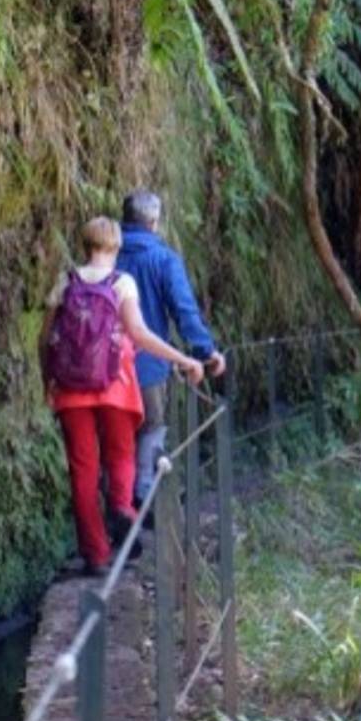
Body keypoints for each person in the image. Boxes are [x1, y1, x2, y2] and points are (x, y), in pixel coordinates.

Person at [41, 217, 205, 576]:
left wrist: (47, 382)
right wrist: (185, 358)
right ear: (116, 246)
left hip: (70, 389)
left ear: (85, 244)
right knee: (121, 455)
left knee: (83, 472)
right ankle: (121, 506)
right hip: (114, 386)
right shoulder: (121, 283)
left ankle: (97, 555)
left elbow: (46, 338)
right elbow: (140, 333)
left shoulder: (65, 281)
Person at [115, 190, 227, 509]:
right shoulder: (163, 259)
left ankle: (117, 505)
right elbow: (183, 310)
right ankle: (143, 497)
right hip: (148, 365)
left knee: (115, 435)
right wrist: (205, 351)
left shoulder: (107, 254)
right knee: (151, 426)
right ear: (153, 221)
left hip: (104, 367)